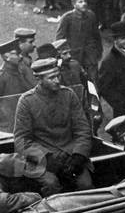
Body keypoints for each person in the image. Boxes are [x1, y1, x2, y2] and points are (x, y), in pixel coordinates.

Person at [13, 57, 93, 195]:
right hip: (43, 160)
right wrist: (46, 159)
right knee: (51, 184)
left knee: (86, 186)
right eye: (51, 77)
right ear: (39, 79)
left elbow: (83, 130)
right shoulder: (26, 102)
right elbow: (22, 140)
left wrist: (78, 156)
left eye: (58, 75)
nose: (57, 80)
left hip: (71, 157)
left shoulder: (69, 95)